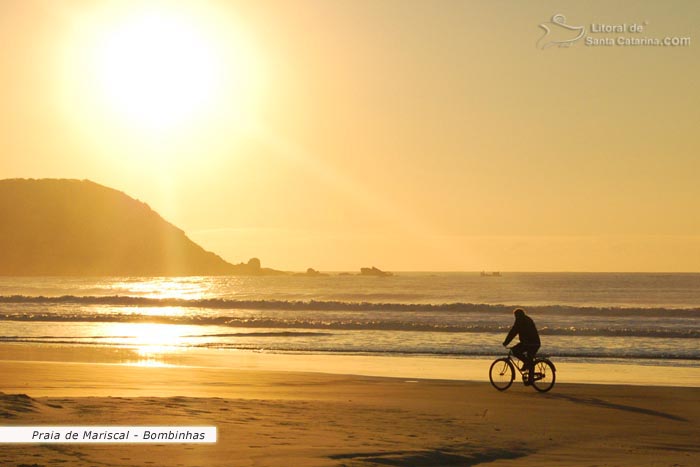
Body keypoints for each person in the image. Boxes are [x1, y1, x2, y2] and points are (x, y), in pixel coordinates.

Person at [503, 308, 541, 385]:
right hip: (533, 343)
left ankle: (529, 375)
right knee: (529, 358)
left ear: (517, 315)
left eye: (515, 316)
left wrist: (506, 342)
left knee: (516, 351)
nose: (515, 318)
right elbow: (515, 331)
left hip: (530, 343)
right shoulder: (527, 319)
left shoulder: (520, 321)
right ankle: (528, 370)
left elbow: (513, 332)